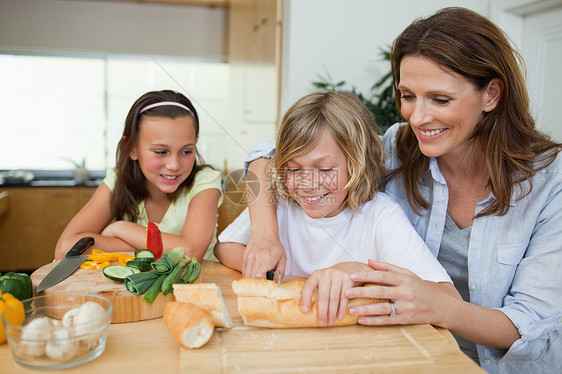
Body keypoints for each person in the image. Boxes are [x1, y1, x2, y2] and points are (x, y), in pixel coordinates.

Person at [240, 7, 562, 373]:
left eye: (440, 99)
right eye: (408, 95)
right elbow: (266, 158)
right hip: (409, 353)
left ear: (491, 94)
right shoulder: (397, 148)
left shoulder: (552, 182)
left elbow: (531, 323)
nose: (418, 118)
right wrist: (265, 235)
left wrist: (433, 302)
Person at [215, 91, 459, 327]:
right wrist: (290, 280)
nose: (307, 184)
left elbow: (445, 296)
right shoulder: (280, 203)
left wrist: (359, 274)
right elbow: (224, 247)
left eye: (324, 170)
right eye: (294, 169)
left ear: (356, 165)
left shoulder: (381, 215)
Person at [55, 90, 222, 262]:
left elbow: (190, 252)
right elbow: (65, 248)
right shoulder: (117, 180)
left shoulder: (205, 181)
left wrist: (120, 229)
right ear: (132, 148)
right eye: (161, 151)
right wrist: (161, 248)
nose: (174, 165)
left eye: (186, 151)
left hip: (197, 286)